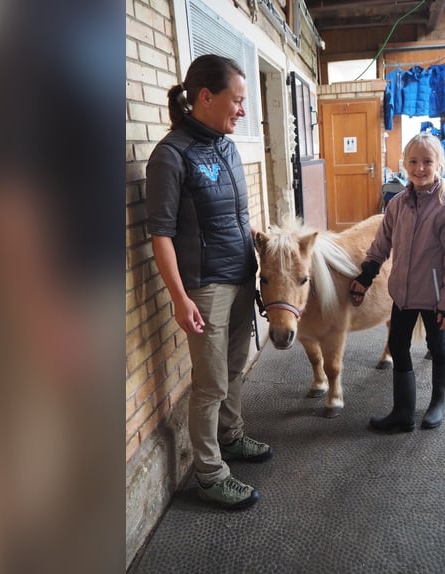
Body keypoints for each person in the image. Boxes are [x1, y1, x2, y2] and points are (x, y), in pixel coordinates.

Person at [146, 54, 271, 510]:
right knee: (210, 384)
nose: (242, 110)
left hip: (241, 276)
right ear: (205, 97)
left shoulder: (227, 146)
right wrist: (180, 298)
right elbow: (160, 235)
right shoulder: (171, 155)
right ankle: (209, 473)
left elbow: (234, 216)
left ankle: (232, 437)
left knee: (235, 369)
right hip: (205, 289)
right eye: (237, 100)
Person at [349, 133, 445, 432]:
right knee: (398, 345)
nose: (420, 168)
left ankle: (437, 401)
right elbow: (381, 244)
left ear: (438, 164)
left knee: (437, 346)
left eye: (427, 162)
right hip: (402, 293)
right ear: (404, 164)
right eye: (413, 162)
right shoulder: (398, 204)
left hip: (434, 297)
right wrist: (366, 276)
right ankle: (403, 412)